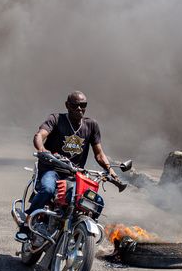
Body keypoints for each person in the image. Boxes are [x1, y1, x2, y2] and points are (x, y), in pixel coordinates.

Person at [20, 90, 114, 239]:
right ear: (67, 105)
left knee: (97, 202)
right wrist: (42, 149)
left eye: (83, 105)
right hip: (52, 169)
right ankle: (26, 223)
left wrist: (110, 171)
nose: (79, 108)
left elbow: (99, 153)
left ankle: (81, 235)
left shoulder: (91, 125)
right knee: (48, 189)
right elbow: (40, 135)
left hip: (75, 175)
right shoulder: (56, 119)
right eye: (75, 105)